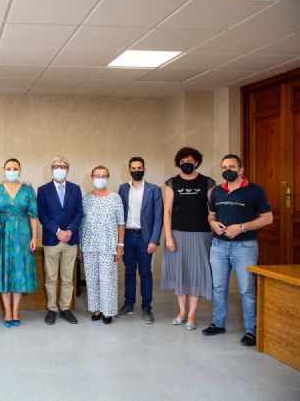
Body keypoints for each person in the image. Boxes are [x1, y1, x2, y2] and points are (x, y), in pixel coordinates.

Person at [203, 154, 272, 346]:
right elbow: (211, 214)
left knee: (246, 289)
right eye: (224, 167)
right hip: (218, 246)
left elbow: (267, 218)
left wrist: (241, 227)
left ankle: (252, 331)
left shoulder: (255, 190)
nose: (227, 170)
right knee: (219, 287)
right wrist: (213, 224)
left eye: (232, 167)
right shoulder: (216, 191)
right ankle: (218, 323)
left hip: (245, 247)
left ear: (241, 170)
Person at [161, 147, 215, 331]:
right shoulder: (172, 183)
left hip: (201, 234)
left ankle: (192, 314)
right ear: (178, 164)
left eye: (190, 161)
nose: (186, 164)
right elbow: (167, 212)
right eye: (183, 162)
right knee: (181, 273)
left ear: (197, 163)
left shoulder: (207, 183)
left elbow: (213, 210)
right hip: (177, 234)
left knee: (196, 273)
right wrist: (168, 236)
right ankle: (182, 312)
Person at [0, 158, 38, 328]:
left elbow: (33, 216)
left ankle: (16, 310)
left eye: (14, 168)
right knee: (4, 272)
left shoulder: (28, 190)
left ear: (20, 170)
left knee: (18, 272)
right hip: (1, 235)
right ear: (4, 170)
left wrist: (34, 237)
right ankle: (7, 311)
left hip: (22, 235)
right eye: (8, 168)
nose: (11, 171)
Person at [116, 157, 164, 324]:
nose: (137, 170)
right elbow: (119, 215)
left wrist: (154, 240)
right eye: (134, 168)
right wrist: (119, 240)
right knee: (129, 271)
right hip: (127, 236)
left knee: (145, 272)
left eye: (139, 168)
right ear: (129, 170)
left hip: (145, 238)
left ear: (144, 169)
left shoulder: (154, 190)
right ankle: (128, 304)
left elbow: (158, 218)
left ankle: (146, 308)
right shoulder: (123, 188)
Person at [37, 156, 83, 325]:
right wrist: (58, 231)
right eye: (56, 166)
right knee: (51, 277)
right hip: (52, 239)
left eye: (62, 166)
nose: (59, 169)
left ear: (67, 170)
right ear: (52, 169)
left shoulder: (75, 189)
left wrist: (69, 230)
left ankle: (65, 308)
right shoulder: (43, 190)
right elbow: (42, 215)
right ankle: (52, 309)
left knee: (67, 278)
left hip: (70, 240)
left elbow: (79, 213)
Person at [80, 165, 125, 325]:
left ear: (108, 178)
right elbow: (81, 225)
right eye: (97, 176)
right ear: (92, 178)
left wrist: (120, 245)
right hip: (89, 245)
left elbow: (121, 223)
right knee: (92, 279)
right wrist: (80, 248)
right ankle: (96, 309)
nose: (100, 178)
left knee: (107, 280)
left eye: (103, 176)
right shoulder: (86, 199)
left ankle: (107, 311)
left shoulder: (115, 198)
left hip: (109, 245)